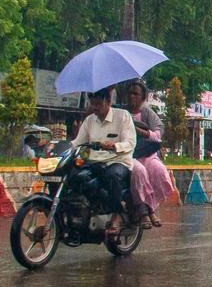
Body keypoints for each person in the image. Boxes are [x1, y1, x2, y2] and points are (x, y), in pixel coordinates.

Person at [70, 88, 137, 234]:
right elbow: (77, 143)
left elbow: (130, 143)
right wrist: (57, 148)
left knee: (112, 176)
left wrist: (114, 146)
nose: (95, 107)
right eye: (93, 103)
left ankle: (116, 215)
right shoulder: (89, 121)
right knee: (75, 175)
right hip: (94, 162)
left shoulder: (122, 116)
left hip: (118, 161)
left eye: (98, 104)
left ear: (109, 101)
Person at [126, 81, 174, 228]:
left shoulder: (148, 114)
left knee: (159, 172)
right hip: (128, 154)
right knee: (139, 172)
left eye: (135, 93)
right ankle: (146, 212)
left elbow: (157, 135)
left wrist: (141, 132)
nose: (131, 96)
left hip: (147, 154)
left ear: (143, 98)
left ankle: (151, 207)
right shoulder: (121, 112)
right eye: (129, 93)